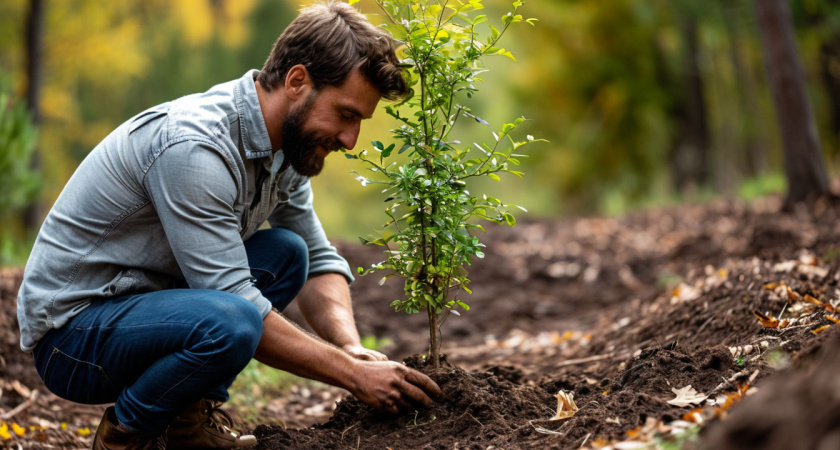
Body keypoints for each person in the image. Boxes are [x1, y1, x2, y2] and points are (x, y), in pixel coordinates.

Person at [16, 2, 442, 449]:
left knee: (287, 253)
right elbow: (234, 298)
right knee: (234, 319)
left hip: (146, 310)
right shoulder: (196, 148)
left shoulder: (289, 148)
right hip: (73, 338)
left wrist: (351, 348)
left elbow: (316, 258)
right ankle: (126, 436)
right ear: (297, 82)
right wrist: (353, 375)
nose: (351, 140)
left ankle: (187, 426)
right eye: (346, 114)